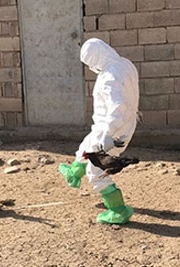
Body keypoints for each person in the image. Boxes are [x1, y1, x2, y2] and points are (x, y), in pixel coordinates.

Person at [58, 38, 140, 225]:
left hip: (112, 130)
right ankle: (74, 174)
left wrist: (107, 136)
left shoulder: (110, 77)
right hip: (115, 125)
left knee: (96, 170)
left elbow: (117, 107)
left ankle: (118, 211)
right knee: (86, 146)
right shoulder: (124, 64)